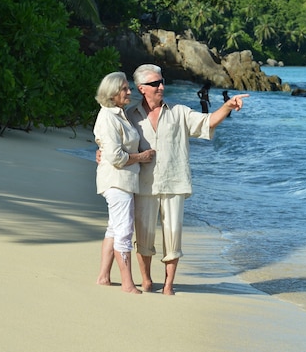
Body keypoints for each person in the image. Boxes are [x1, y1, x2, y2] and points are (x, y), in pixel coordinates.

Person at [99, 64, 248, 295]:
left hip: (175, 183)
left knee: (173, 237)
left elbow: (206, 123)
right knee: (144, 238)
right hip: (144, 185)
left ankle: (168, 285)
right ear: (142, 88)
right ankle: (146, 281)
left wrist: (227, 106)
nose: (161, 86)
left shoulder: (179, 111)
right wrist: (101, 154)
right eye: (154, 84)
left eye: (162, 82)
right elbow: (112, 141)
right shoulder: (129, 116)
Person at [93, 71, 156, 294]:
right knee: (124, 231)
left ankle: (103, 276)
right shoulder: (108, 117)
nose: (129, 92)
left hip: (123, 181)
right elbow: (116, 157)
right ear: (112, 93)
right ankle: (128, 284)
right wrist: (142, 157)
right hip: (116, 181)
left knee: (114, 228)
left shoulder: (119, 114)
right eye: (124, 89)